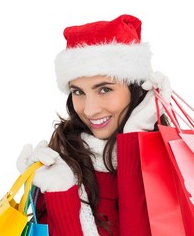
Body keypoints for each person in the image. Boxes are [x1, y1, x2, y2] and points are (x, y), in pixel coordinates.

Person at [16, 14, 172, 236]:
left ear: (136, 89)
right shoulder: (59, 166)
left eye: (105, 89)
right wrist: (61, 193)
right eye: (78, 92)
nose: (89, 110)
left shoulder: (175, 160)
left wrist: (136, 137)